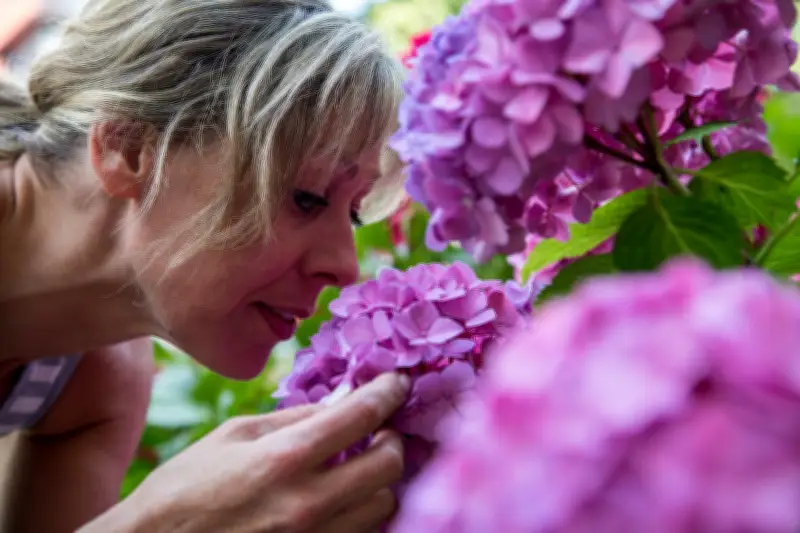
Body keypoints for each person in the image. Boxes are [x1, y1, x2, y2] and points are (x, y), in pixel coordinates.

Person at [0, 0, 411, 531]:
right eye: (307, 196)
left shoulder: (96, 380)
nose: (345, 267)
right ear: (129, 149)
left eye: (353, 213)